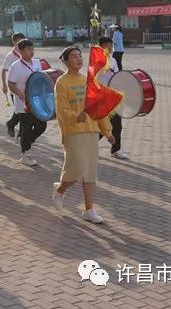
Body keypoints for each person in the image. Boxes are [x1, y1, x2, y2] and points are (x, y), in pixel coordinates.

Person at [52, 46, 115, 224]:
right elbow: (61, 110)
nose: (78, 59)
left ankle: (89, 210)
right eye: (74, 56)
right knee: (77, 169)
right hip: (73, 132)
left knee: (90, 173)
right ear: (65, 61)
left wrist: (107, 132)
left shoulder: (89, 80)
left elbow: (98, 108)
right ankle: (60, 190)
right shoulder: (61, 83)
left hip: (91, 130)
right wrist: (75, 116)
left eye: (80, 56)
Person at [7, 39, 47, 166]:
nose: (32, 52)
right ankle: (25, 155)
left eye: (32, 49)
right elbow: (11, 84)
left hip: (36, 101)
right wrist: (20, 94)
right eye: (29, 49)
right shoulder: (15, 66)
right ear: (21, 51)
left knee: (42, 125)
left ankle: (27, 140)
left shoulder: (36, 63)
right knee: (27, 127)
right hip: (23, 103)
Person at [97, 36, 129, 159]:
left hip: (113, 96)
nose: (109, 47)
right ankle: (89, 146)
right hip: (102, 97)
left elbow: (117, 77)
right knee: (103, 125)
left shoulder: (114, 60)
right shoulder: (97, 60)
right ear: (101, 47)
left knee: (117, 124)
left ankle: (116, 150)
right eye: (106, 45)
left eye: (111, 45)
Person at [2, 32, 27, 138]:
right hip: (15, 88)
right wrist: (4, 85)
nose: (21, 43)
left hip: (26, 87)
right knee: (20, 110)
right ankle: (19, 131)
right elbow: (4, 71)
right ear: (14, 42)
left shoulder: (25, 52)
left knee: (23, 110)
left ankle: (12, 125)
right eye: (19, 41)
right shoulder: (10, 56)